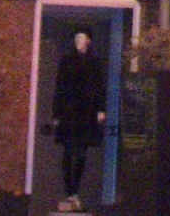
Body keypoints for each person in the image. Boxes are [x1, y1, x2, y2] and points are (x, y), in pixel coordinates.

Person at [50, 28, 106, 213]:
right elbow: (60, 87)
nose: (78, 42)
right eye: (76, 38)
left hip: (86, 112)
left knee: (81, 152)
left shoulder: (94, 63)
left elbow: (99, 87)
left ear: (88, 41)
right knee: (67, 151)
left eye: (81, 38)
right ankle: (70, 190)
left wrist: (100, 109)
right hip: (69, 112)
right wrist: (56, 113)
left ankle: (74, 190)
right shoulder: (67, 61)